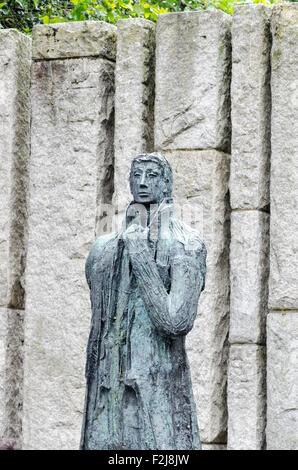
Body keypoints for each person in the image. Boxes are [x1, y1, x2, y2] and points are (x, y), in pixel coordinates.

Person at [80, 152, 206, 450]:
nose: (142, 182)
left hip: (156, 389)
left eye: (151, 176)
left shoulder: (187, 243)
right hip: (106, 389)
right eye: (136, 175)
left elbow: (176, 321)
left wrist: (140, 255)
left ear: (167, 184)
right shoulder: (104, 248)